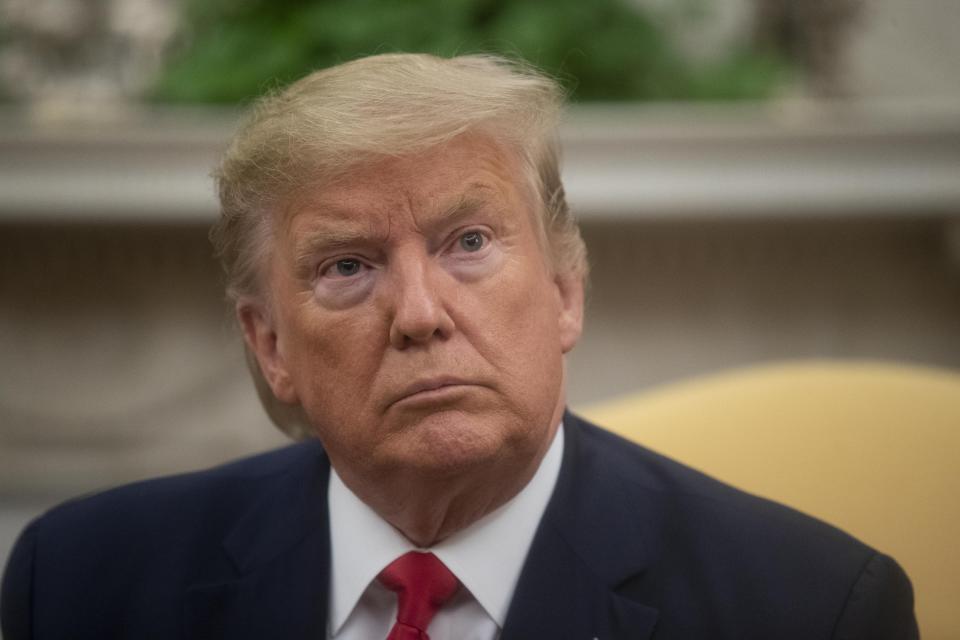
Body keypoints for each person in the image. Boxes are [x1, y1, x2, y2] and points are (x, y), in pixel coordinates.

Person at [1, 53, 917, 640]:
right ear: (270, 342)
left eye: (468, 244)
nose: (420, 314)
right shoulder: (83, 584)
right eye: (349, 265)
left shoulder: (811, 606)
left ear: (564, 290)